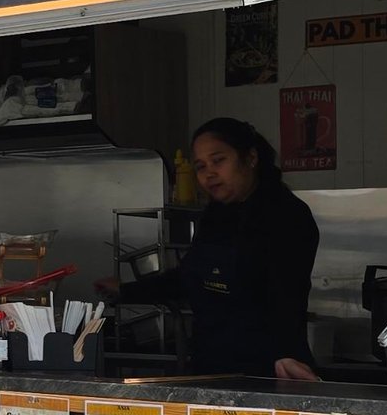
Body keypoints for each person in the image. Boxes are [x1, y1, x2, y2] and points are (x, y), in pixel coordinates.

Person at [113, 117, 320, 381]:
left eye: (218, 160)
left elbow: (286, 294)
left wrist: (286, 354)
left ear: (251, 157)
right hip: (211, 368)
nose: (209, 173)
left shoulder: (287, 215)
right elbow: (190, 277)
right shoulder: (215, 216)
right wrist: (124, 291)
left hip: (269, 370)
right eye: (200, 166)